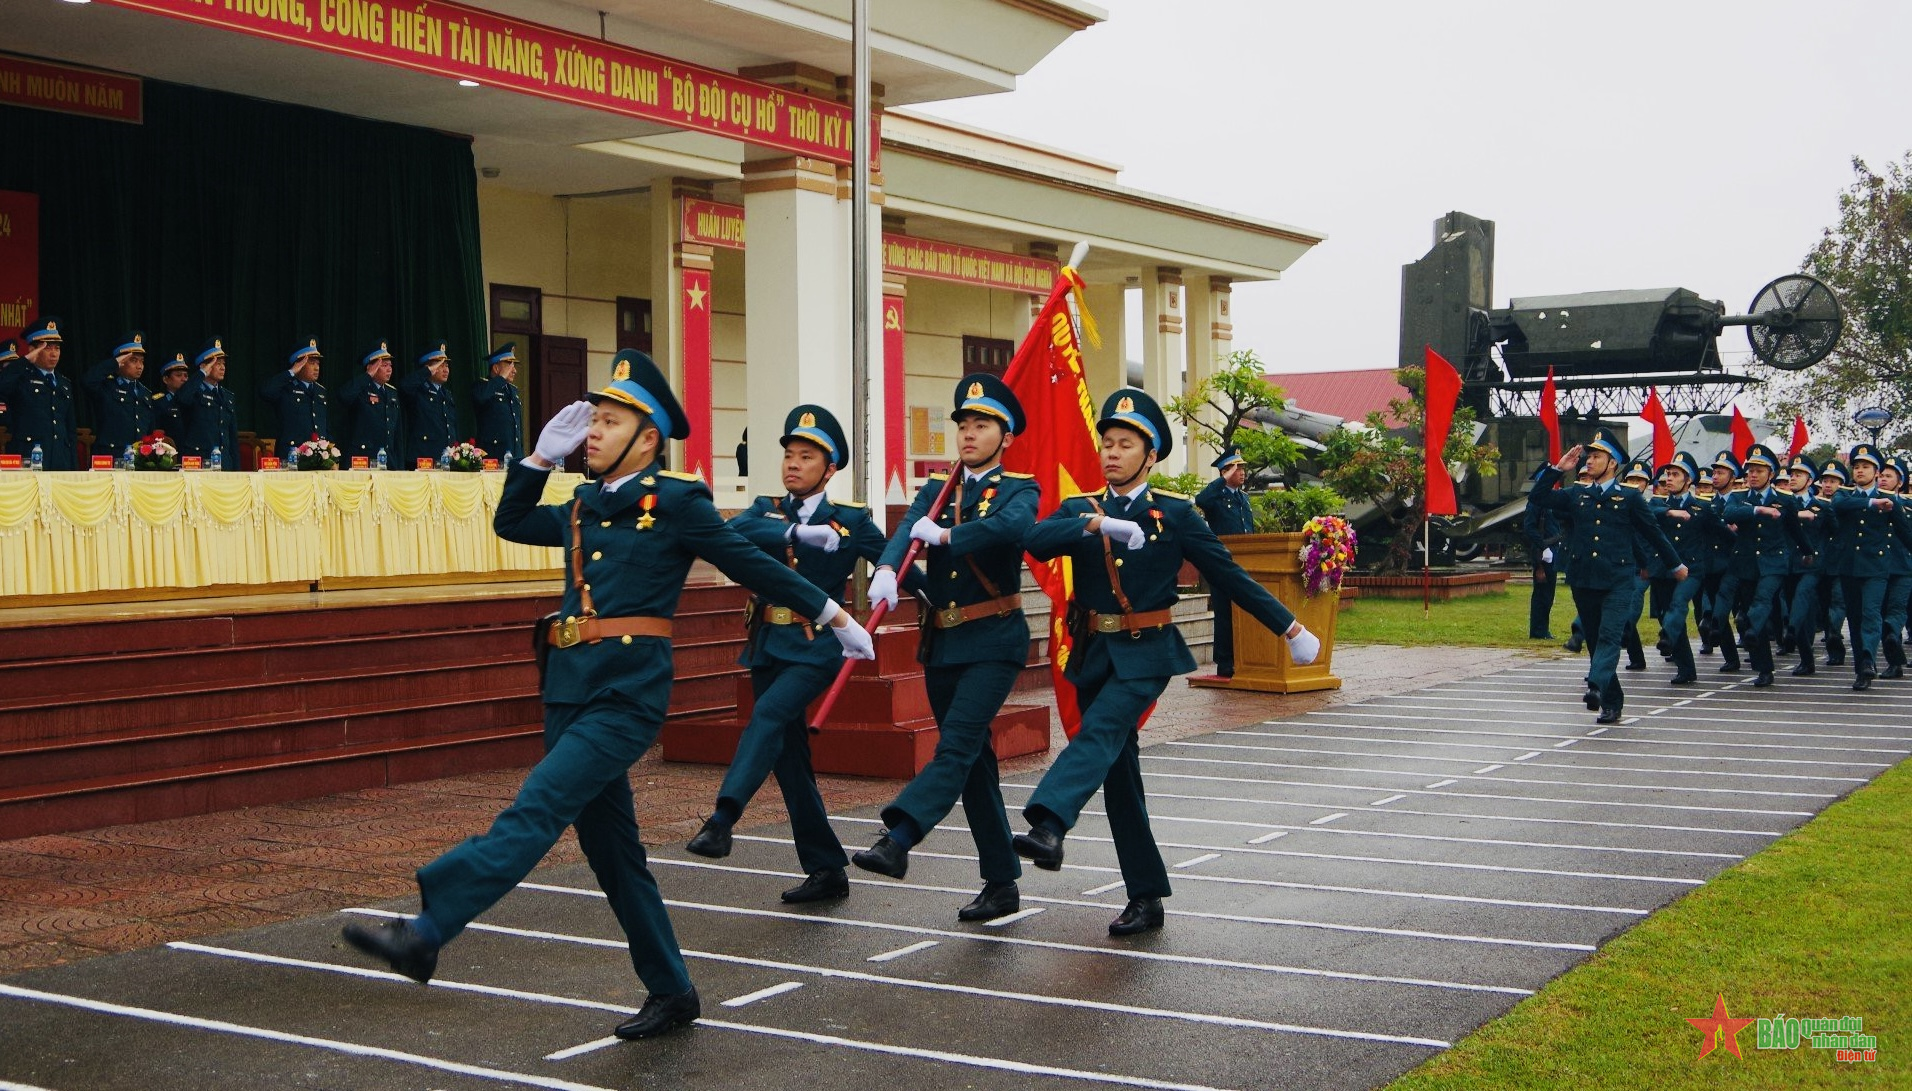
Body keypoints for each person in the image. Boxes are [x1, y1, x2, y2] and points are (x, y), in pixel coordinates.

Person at [340, 350, 875, 1040]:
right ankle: (673, 988)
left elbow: (752, 565)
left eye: (609, 419)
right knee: (615, 855)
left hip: (625, 695)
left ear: (647, 437)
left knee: (535, 807)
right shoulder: (583, 504)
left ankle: (430, 927)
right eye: (592, 418)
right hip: (567, 688)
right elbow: (510, 520)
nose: (592, 431)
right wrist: (536, 460)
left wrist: (836, 617)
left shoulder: (678, 502)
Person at [1013, 389, 1319, 936]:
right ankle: (1147, 895)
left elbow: (1228, 577)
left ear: (1150, 455)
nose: (1111, 453)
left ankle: (1049, 821)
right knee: (1119, 776)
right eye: (1107, 443)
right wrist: (1093, 526)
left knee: (1100, 732)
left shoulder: (1175, 514)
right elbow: (1033, 540)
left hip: (1147, 653)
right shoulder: (1081, 508)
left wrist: (1289, 627)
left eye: (1125, 444)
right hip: (1094, 654)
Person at [684, 403, 908, 904]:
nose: (792, 464)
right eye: (789, 454)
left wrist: (893, 571)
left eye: (806, 457)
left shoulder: (849, 520)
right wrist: (793, 532)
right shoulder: (766, 509)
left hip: (816, 646)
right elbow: (731, 534)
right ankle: (826, 868)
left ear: (829, 469)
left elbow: (893, 554)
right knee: (790, 762)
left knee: (768, 715)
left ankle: (722, 821)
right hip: (766, 644)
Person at [849, 373, 1037, 922]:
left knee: (954, 746)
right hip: (944, 643)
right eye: (964, 425)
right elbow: (908, 526)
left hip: (995, 640)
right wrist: (886, 566)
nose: (969, 434)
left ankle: (899, 837)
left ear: (1005, 436)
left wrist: (952, 537)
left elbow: (1012, 528)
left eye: (982, 425)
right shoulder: (937, 489)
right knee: (973, 764)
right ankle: (1002, 882)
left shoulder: (1019, 487)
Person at [1529, 430, 1686, 723]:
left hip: (1618, 579)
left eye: (1597, 456)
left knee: (1609, 636)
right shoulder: (1577, 494)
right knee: (1592, 637)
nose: (1589, 460)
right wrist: (1557, 470)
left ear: (1612, 463)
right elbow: (1538, 498)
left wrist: (1675, 565)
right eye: (1588, 456)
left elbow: (1653, 532)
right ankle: (1611, 699)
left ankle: (1596, 684)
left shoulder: (1629, 497)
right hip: (1584, 578)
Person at [1828, 444, 1904, 690]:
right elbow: (1837, 506)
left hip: (1876, 568)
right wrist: (1872, 503)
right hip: (1849, 567)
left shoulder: (1891, 501)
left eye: (1866, 467)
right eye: (1857, 467)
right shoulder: (1845, 495)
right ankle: (1861, 668)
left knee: (1871, 614)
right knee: (1856, 618)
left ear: (1877, 472)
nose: (1860, 471)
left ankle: (1869, 659)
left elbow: (1906, 533)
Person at [1721, 444, 1797, 688]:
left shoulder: (1784, 499)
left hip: (1774, 562)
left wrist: (1807, 553)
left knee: (1761, 603)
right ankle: (1764, 667)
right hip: (1747, 564)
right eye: (1750, 471)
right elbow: (1729, 514)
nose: (1753, 475)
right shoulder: (1739, 497)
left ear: (1771, 474)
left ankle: (1752, 627)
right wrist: (1757, 510)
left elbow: (1794, 530)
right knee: (1752, 618)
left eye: (1759, 471)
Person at [1193, 445, 1255, 676]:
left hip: (1246, 563)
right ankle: (1225, 663)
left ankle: (1245, 657)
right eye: (1237, 468)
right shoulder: (1216, 498)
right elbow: (1201, 499)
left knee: (1246, 610)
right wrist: (1222, 481)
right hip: (1222, 562)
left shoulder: (1244, 498)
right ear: (1225, 471)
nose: (1242, 472)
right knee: (1224, 613)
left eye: (1242, 468)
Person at [1648, 452, 1707, 684]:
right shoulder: (1658, 504)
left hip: (1691, 569)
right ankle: (1686, 668)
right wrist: (1670, 512)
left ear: (1688, 480)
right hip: (1664, 569)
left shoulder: (1700, 507)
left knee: (1678, 605)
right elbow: (1647, 514)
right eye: (1667, 474)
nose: (1669, 479)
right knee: (1667, 616)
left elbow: (1720, 532)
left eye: (1675, 475)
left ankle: (1666, 637)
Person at [1784, 454, 1837, 676]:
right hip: (1788, 564)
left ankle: (1791, 631)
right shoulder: (1783, 503)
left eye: (1799, 475)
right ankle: (1806, 658)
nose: (1793, 478)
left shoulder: (1822, 506)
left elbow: (1836, 532)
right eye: (1792, 474)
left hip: (1813, 565)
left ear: (1810, 479)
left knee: (1803, 598)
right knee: (1799, 609)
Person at [0, 318, 77, 469]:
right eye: (47, 348)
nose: (54, 354)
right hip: (29, 458)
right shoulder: (22, 377)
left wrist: (73, 466)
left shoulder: (64, 383)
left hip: (60, 459)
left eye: (57, 348)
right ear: (32, 350)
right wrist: (26, 360)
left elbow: (70, 429)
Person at [1697, 452, 1743, 668]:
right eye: (1714, 472)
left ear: (1732, 477)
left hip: (1737, 565)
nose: (1715, 476)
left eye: (1721, 472)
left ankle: (1757, 650)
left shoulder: (1743, 501)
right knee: (1718, 608)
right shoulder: (1708, 504)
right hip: (1713, 564)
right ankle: (1731, 658)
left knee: (1737, 611)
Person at [81, 331, 154, 458]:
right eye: (133, 361)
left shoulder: (145, 393)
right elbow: (87, 381)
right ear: (121, 361)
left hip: (138, 458)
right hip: (111, 456)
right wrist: (113, 363)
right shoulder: (106, 386)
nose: (139, 366)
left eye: (141, 361)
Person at [257, 338, 330, 459]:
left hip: (318, 457)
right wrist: (291, 372)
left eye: (318, 363)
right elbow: (265, 391)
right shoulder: (286, 387)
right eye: (311, 363)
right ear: (299, 365)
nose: (316, 368)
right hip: (292, 455)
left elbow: (324, 424)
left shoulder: (320, 391)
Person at [337, 340, 404, 466]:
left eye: (390, 365)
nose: (389, 369)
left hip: (388, 460)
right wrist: (367, 376)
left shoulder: (392, 392)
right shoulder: (360, 389)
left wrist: (399, 466)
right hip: (362, 460)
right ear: (370, 367)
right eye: (384, 365)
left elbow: (397, 435)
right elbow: (343, 396)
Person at [176, 337, 240, 467]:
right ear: (204, 366)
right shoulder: (194, 391)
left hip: (224, 463)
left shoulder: (227, 396)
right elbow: (181, 398)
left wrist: (236, 469)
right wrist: (201, 374)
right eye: (217, 364)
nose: (222, 368)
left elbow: (232, 437)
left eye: (223, 364)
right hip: (199, 462)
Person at [1522, 463, 1564, 641]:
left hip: (1551, 548)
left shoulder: (1549, 500)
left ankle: (1542, 628)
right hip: (1542, 551)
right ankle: (1538, 630)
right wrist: (1543, 547)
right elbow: (1530, 527)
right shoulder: (1535, 501)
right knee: (1542, 593)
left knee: (1548, 593)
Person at [400, 341, 458, 468]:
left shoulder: (446, 394)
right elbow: (404, 386)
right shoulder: (418, 390)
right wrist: (426, 372)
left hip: (445, 459)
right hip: (423, 458)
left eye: (447, 365)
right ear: (428, 368)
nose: (446, 369)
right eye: (440, 365)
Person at [1815, 461, 1850, 666]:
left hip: (1840, 563)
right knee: (1824, 604)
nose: (1828, 485)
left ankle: (1834, 640)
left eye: (1833, 481)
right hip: (1820, 563)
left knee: (1838, 604)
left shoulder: (1845, 504)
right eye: (1825, 481)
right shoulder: (1815, 503)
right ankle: (1830, 638)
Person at [471, 344, 525, 461]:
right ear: (496, 368)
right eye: (509, 366)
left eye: (514, 366)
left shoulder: (513, 390)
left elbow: (517, 429)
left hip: (514, 456)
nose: (514, 370)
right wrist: (500, 378)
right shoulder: (482, 386)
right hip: (492, 457)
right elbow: (480, 397)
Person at [152, 353, 192, 439]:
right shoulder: (159, 402)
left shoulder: (192, 399)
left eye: (186, 375)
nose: (184, 379)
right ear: (166, 379)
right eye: (178, 375)